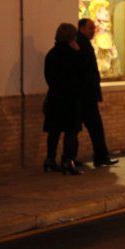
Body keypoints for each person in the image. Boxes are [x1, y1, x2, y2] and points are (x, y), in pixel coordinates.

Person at [77, 18, 118, 168]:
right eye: (90, 28)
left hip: (84, 94)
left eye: (94, 28)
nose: (93, 31)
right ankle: (100, 156)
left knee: (79, 128)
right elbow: (86, 71)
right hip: (85, 95)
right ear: (81, 28)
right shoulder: (80, 44)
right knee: (95, 127)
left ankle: (71, 157)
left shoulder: (82, 43)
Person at [43, 23, 83, 175]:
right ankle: (68, 161)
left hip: (54, 97)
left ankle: (49, 159)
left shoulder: (51, 54)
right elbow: (80, 74)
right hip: (70, 98)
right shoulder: (73, 55)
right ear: (71, 37)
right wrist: (78, 53)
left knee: (54, 131)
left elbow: (49, 76)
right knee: (71, 131)